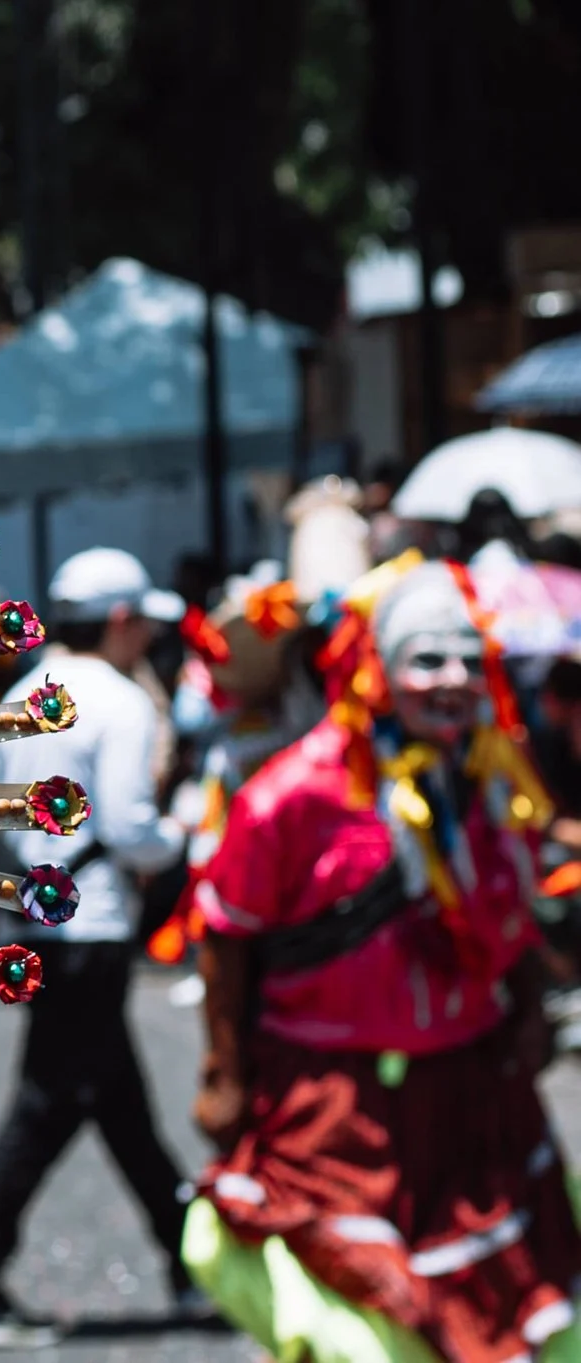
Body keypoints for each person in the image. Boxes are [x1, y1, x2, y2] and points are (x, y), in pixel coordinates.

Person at [184, 558, 581, 1362]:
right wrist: (225, 1068)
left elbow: (507, 913)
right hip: (336, 1095)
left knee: (502, 1295)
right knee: (358, 1315)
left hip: (471, 1084)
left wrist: (532, 1005)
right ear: (377, 668)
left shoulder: (493, 776)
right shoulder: (292, 793)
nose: (455, 679)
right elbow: (225, 931)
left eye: (471, 660)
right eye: (428, 659)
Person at [0, 548, 198, 1348]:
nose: (145, 631)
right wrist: (181, 837)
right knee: (49, 1106)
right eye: (142, 617)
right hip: (95, 926)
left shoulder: (29, 691)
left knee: (118, 1106)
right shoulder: (121, 701)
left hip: (38, 920)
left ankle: (193, 1266)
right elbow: (130, 826)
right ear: (119, 620)